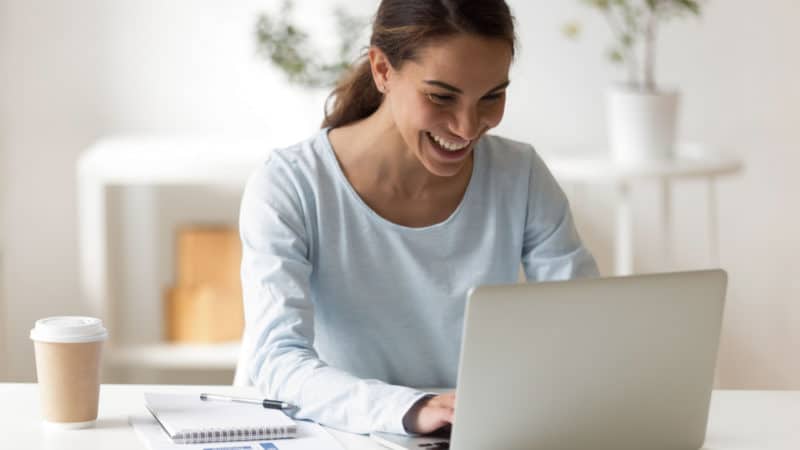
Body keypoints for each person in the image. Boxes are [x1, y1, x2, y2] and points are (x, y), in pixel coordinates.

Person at [236, 0, 598, 437]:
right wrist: (413, 409)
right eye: (441, 96)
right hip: (332, 434)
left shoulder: (519, 175)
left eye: (492, 96)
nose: (467, 127)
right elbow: (277, 359)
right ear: (382, 70)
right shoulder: (291, 185)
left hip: (467, 435)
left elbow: (582, 325)